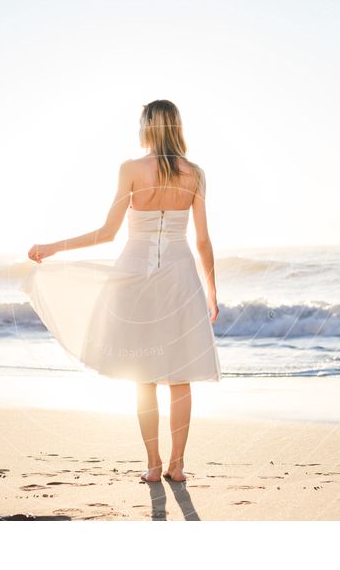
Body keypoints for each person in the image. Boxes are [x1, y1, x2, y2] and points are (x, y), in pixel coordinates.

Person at [23, 99, 221, 483]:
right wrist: (212, 289)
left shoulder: (130, 169)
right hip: (181, 279)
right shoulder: (194, 174)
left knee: (143, 375)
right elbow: (203, 241)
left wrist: (53, 246)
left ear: (147, 127)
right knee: (180, 376)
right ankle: (177, 465)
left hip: (135, 279)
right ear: (176, 126)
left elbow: (107, 233)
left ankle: (153, 464)